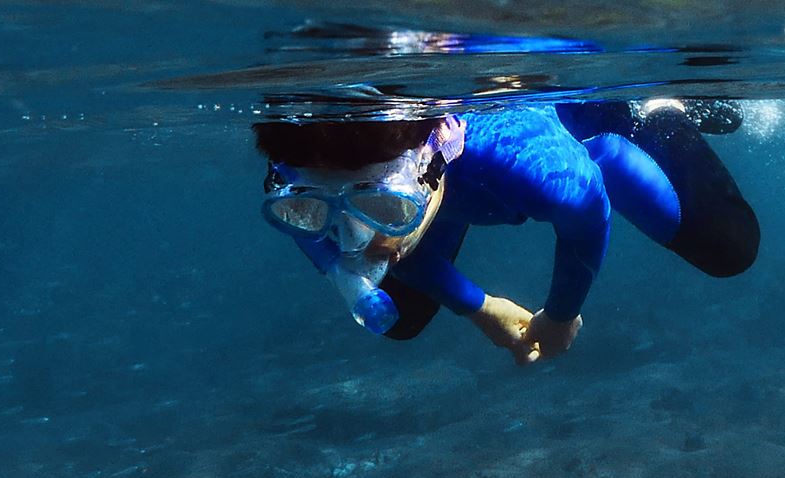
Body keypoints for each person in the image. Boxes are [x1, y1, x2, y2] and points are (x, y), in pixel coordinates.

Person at [253, 97, 759, 364]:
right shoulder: (303, 160)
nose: (353, 240)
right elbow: (328, 239)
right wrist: (479, 307)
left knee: (728, 246)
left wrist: (561, 316)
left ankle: (660, 111)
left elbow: (588, 214)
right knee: (400, 317)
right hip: (451, 188)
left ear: (435, 165)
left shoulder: (527, 165)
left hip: (586, 123)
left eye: (380, 204)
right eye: (312, 209)